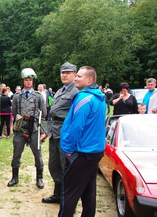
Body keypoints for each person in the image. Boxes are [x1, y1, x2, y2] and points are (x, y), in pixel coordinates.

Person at [58, 66, 106, 217]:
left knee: (69, 193)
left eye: (79, 76)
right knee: (88, 192)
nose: (76, 78)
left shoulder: (84, 98)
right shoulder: (99, 97)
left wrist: (68, 149)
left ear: (89, 79)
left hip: (81, 153)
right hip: (95, 152)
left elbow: (76, 126)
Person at [40, 62, 79, 204]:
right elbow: (52, 114)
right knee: (54, 165)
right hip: (54, 133)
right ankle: (58, 195)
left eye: (68, 72)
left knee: (66, 167)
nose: (64, 75)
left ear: (75, 75)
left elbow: (76, 117)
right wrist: (46, 132)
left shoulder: (76, 92)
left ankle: (66, 198)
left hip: (66, 135)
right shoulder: (61, 90)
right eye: (63, 72)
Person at [8, 68, 46, 189]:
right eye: (26, 80)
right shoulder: (17, 96)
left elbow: (43, 113)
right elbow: (14, 112)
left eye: (30, 80)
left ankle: (39, 178)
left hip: (34, 128)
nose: (29, 82)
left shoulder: (38, 96)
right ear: (23, 81)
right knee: (16, 153)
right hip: (20, 128)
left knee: (37, 153)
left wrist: (42, 131)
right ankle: (15, 177)